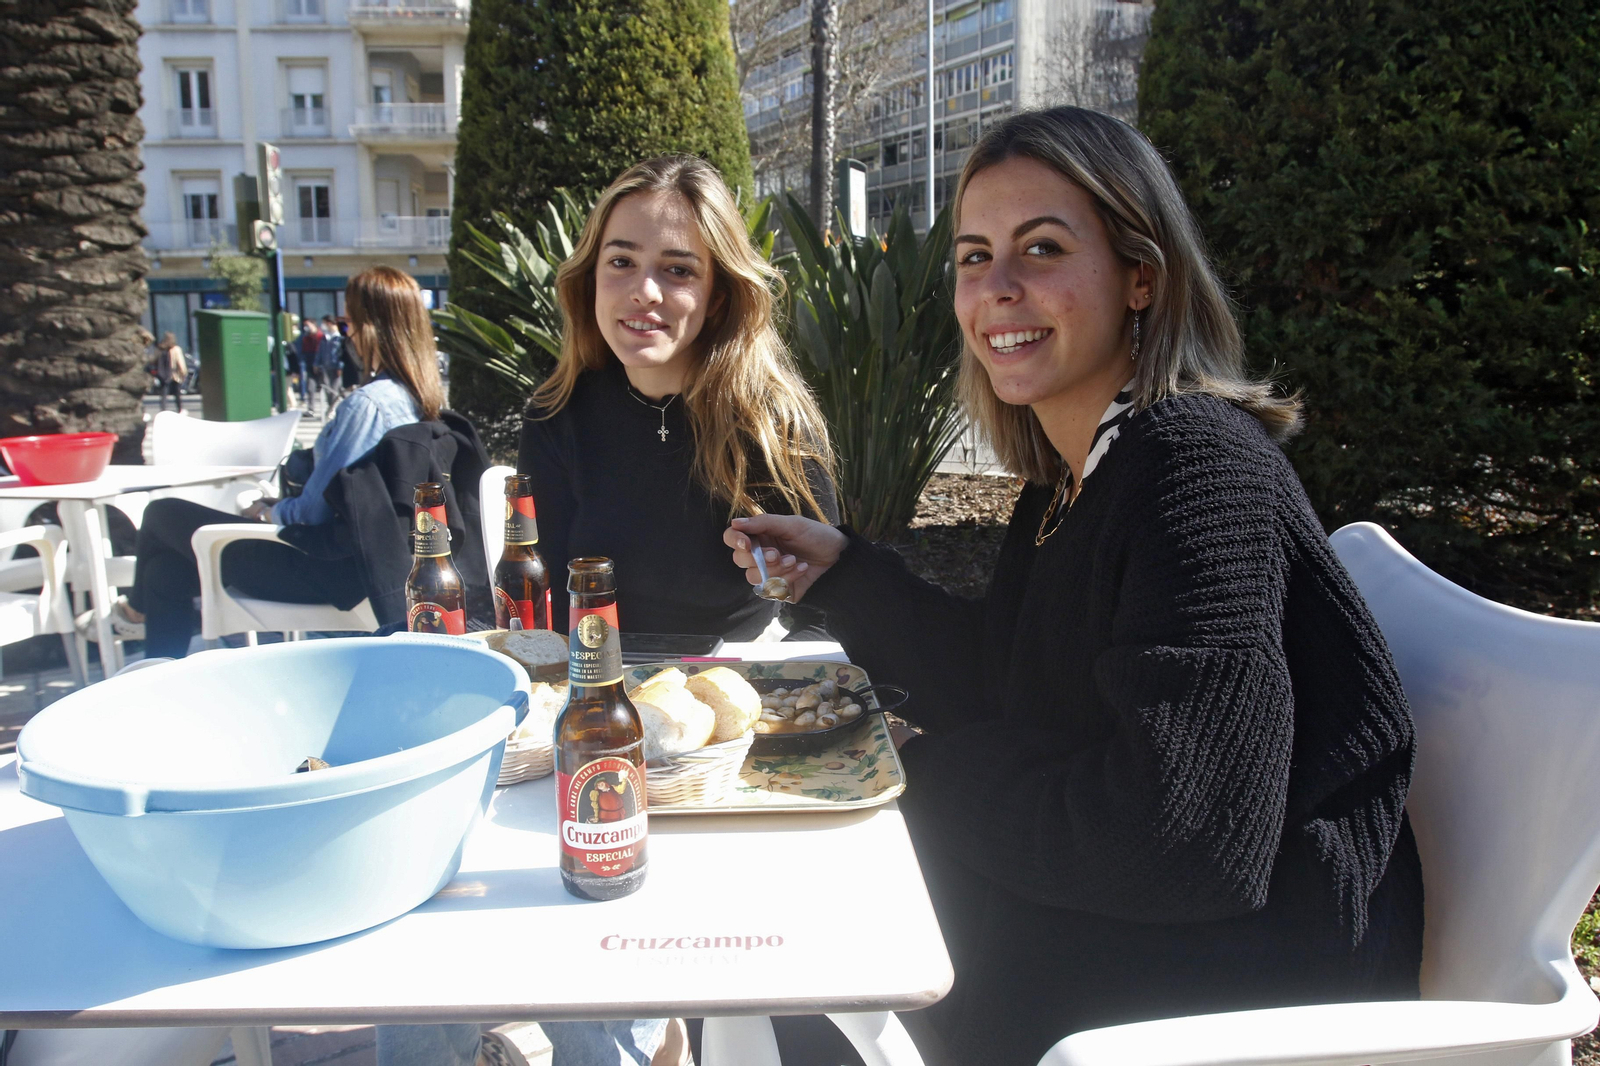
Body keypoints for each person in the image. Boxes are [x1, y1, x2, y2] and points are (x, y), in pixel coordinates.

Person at [723, 106, 1424, 1065]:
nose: (997, 289)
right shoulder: (1083, 471)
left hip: (1246, 976)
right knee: (796, 904)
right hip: (1143, 915)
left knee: (806, 930)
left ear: (1143, 276)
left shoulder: (1196, 472)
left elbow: (1184, 841)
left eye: (1041, 249)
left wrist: (907, 777)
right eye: (973, 257)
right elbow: (1010, 676)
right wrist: (847, 573)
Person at [519, 153, 838, 642]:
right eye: (621, 262)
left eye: (678, 271)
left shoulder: (773, 421)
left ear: (718, 298)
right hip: (594, 675)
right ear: (591, 280)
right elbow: (541, 594)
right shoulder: (556, 414)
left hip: (737, 679)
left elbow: (824, 612)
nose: (645, 291)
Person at [86, 267, 443, 657]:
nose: (348, 336)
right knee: (166, 572)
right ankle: (158, 673)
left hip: (322, 568)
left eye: (348, 324)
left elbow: (314, 512)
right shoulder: (418, 400)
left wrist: (267, 512)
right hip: (364, 566)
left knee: (161, 513)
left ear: (368, 328)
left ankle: (134, 613)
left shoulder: (368, 406)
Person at [312, 313, 343, 416]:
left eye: (324, 323)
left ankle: (333, 409)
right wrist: (316, 363)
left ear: (330, 323)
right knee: (327, 389)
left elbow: (342, 353)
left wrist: (340, 366)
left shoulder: (339, 337)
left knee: (334, 389)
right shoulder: (325, 337)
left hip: (336, 367)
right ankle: (331, 408)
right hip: (325, 366)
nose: (323, 325)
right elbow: (320, 351)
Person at [150, 332, 187, 412]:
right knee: (177, 393)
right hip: (174, 374)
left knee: (163, 394)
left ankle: (163, 409)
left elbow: (153, 360)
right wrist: (183, 373)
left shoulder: (159, 348)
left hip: (163, 374)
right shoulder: (176, 349)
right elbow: (180, 362)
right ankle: (179, 409)